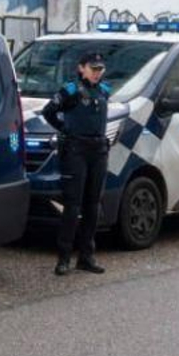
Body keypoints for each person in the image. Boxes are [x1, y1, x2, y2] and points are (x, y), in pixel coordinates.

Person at [40, 51, 111, 276]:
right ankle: (63, 258)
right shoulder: (70, 91)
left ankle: (86, 256)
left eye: (100, 69)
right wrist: (65, 130)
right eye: (93, 68)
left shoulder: (104, 91)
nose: (97, 73)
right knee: (73, 206)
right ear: (82, 68)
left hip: (97, 151)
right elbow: (48, 111)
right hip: (76, 151)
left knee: (93, 205)